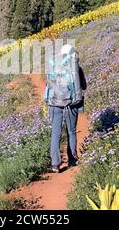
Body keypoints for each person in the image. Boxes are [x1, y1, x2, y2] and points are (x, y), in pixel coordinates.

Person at [44, 44, 87, 173]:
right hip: (71, 104)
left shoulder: (53, 66)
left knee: (55, 133)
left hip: (54, 103)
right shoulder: (76, 68)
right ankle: (72, 160)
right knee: (71, 132)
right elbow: (83, 86)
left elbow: (49, 84)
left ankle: (55, 164)